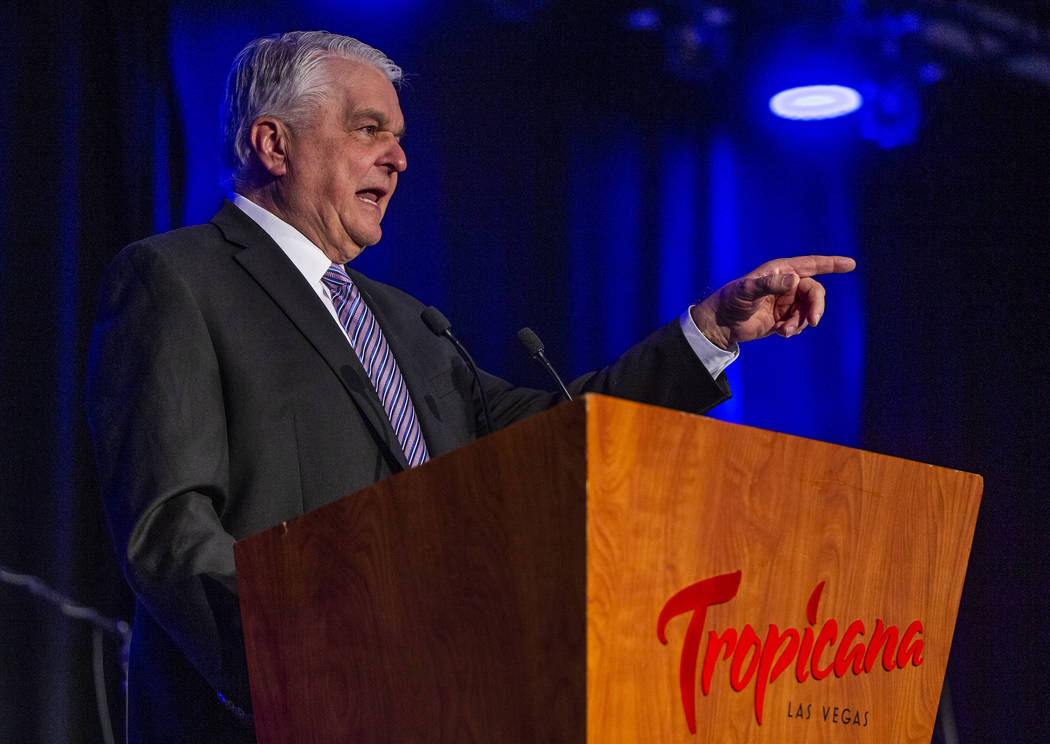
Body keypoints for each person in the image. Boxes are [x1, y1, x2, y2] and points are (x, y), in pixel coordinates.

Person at [86, 31, 855, 743]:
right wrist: (303, 673)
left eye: (399, 138)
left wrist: (709, 334)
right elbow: (170, 532)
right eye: (367, 129)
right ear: (272, 143)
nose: (399, 159)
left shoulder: (406, 323)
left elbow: (561, 433)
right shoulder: (177, 281)